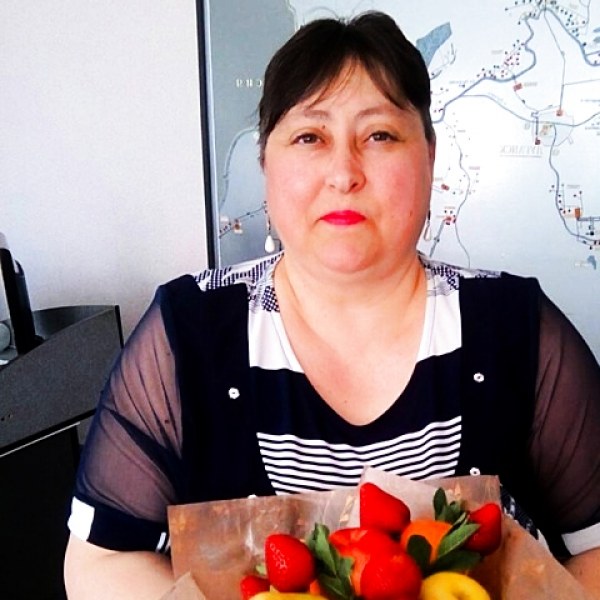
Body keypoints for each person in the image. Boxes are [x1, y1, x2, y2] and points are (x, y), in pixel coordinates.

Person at [63, 11, 600, 599]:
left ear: (429, 155)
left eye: (380, 135)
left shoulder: (515, 327)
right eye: (310, 137)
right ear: (265, 162)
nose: (344, 173)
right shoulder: (188, 331)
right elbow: (100, 561)